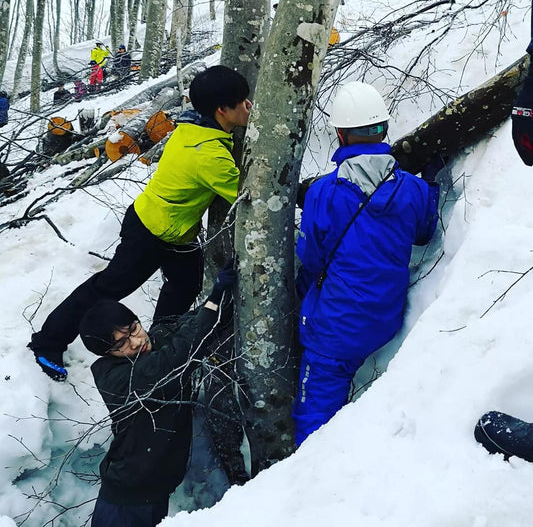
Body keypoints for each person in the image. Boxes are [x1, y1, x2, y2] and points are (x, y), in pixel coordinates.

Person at [28, 65, 251, 381]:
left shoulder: (192, 128)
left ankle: (159, 350)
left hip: (176, 233)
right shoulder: (208, 154)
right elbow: (248, 195)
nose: (249, 106)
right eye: (243, 101)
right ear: (221, 110)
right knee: (106, 289)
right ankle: (46, 343)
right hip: (149, 232)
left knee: (184, 286)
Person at [292, 81, 440, 446]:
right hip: (385, 317)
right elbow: (423, 234)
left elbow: (311, 258)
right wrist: (432, 183)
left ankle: (308, 483)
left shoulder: (324, 192)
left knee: (314, 418)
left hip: (336, 329)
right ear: (384, 129)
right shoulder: (414, 189)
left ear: (340, 134)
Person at [81, 263, 236, 527]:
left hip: (155, 487)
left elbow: (193, 324)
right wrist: (212, 302)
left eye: (133, 328)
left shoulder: (155, 339)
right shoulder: (116, 379)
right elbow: (176, 358)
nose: (136, 341)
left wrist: (222, 296)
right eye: (121, 344)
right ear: (107, 354)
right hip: (126, 498)